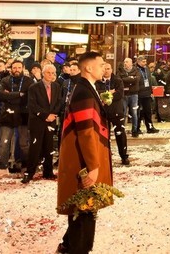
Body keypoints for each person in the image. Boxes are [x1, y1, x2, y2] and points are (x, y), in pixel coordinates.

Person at [56, 51, 113, 254]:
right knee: (85, 210)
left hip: (83, 159)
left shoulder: (87, 88)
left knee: (81, 211)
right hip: (84, 162)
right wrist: (93, 166)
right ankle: (76, 249)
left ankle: (68, 246)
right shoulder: (84, 92)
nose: (104, 67)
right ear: (88, 68)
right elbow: (86, 133)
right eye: (101, 64)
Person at [23, 63, 63, 183]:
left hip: (51, 122)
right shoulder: (34, 88)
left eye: (53, 73)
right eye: (48, 73)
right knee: (35, 148)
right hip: (37, 121)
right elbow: (32, 105)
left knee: (49, 147)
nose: (51, 75)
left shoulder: (56, 87)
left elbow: (58, 103)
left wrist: (53, 115)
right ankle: (29, 173)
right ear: (43, 73)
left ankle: (48, 172)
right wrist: (46, 116)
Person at [0, 59, 32, 174]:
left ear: (23, 68)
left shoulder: (29, 81)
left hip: (23, 115)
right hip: (7, 115)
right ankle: (2, 168)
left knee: (23, 144)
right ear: (11, 69)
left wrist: (9, 95)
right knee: (4, 143)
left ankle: (26, 166)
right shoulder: (5, 80)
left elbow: (28, 97)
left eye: (19, 68)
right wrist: (19, 94)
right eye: (14, 68)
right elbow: (0, 94)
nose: (17, 70)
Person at [96, 62, 129, 165]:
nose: (106, 71)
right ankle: (105, 155)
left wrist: (105, 96)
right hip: (103, 112)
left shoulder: (118, 80)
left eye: (108, 68)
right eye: (105, 69)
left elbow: (119, 94)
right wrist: (110, 93)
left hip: (116, 111)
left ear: (111, 69)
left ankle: (124, 156)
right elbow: (97, 92)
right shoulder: (97, 81)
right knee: (103, 136)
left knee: (120, 134)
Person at [135, 56, 158, 134]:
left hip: (147, 93)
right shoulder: (135, 69)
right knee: (138, 112)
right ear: (138, 61)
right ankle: (137, 128)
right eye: (143, 62)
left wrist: (151, 91)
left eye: (145, 61)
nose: (145, 63)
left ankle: (150, 127)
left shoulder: (146, 69)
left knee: (148, 111)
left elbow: (150, 80)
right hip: (138, 93)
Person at [118, 57, 140, 137]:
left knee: (134, 113)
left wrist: (127, 79)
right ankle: (122, 130)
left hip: (134, 94)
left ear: (131, 63)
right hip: (124, 94)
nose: (125, 63)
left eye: (127, 62)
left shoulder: (136, 71)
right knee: (123, 112)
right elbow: (120, 80)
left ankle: (134, 130)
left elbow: (137, 79)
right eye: (124, 62)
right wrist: (130, 78)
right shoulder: (120, 71)